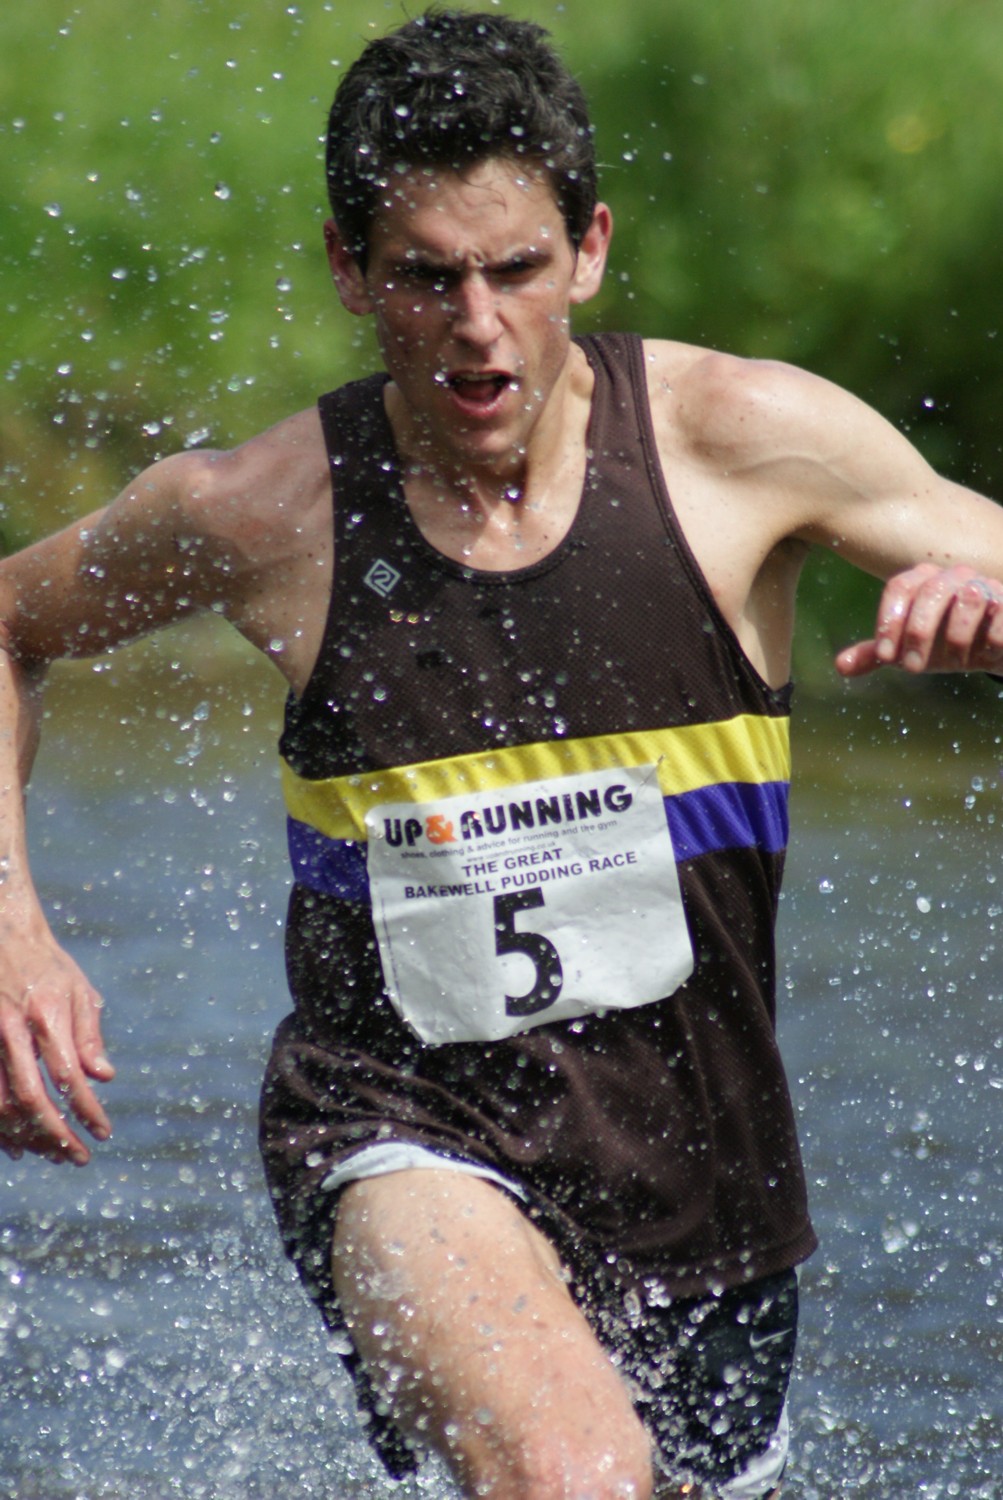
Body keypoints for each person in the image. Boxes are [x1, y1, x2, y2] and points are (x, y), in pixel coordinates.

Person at [2, 9, 1002, 1498]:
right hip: (400, 1141)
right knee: (570, 1470)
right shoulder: (261, 510)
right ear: (352, 272)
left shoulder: (747, 442)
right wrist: (11, 919)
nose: (478, 325)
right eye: (426, 278)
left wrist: (980, 604)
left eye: (517, 270)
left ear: (588, 248)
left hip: (707, 1195)